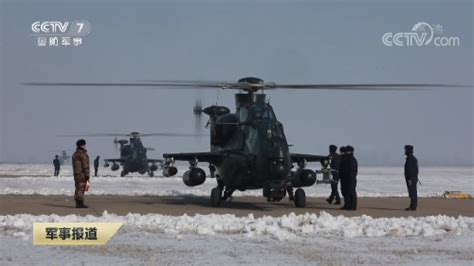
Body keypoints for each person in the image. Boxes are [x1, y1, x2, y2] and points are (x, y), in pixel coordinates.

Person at [72, 139, 90, 208]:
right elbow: (85, 166)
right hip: (82, 174)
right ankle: (80, 203)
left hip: (76, 174)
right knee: (81, 188)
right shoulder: (82, 154)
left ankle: (78, 202)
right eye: (84, 145)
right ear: (82, 145)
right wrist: (87, 175)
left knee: (77, 188)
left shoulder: (75, 154)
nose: (85, 146)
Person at [404, 145, 418, 211]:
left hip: (411, 179)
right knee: (412, 192)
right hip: (413, 179)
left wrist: (410, 179)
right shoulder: (413, 158)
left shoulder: (410, 159)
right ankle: (413, 206)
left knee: (412, 193)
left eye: (406, 150)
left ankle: (413, 207)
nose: (405, 151)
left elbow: (410, 170)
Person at [345, 145, 358, 210]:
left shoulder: (351, 160)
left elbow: (352, 170)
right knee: (348, 192)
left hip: (351, 178)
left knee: (351, 192)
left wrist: (349, 176)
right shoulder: (348, 159)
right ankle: (349, 205)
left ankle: (353, 206)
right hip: (349, 178)